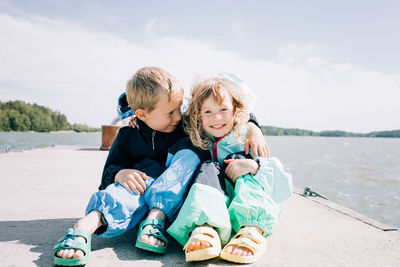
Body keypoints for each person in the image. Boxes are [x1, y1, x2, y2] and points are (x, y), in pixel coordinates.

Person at [53, 67, 268, 266]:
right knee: (129, 186)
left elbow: (229, 110)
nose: (179, 116)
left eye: (178, 109)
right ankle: (85, 227)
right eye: (170, 112)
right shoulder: (128, 135)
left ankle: (155, 219)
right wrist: (120, 173)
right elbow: (108, 174)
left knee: (188, 155)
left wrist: (253, 127)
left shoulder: (184, 127)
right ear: (141, 115)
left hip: (170, 196)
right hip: (140, 188)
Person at [167, 73, 293, 264]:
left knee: (238, 159)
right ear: (197, 116)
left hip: (250, 202)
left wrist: (254, 166)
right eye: (207, 112)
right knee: (208, 167)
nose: (216, 118)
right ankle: (206, 226)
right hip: (217, 205)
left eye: (224, 109)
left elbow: (283, 187)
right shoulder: (197, 140)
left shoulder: (247, 138)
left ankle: (252, 229)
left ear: (236, 110)